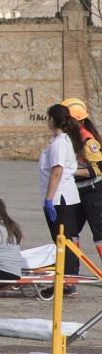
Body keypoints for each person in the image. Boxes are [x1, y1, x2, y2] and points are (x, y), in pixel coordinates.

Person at [38, 103, 83, 289]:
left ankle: (67, 283)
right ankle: (67, 281)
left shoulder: (59, 143)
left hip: (59, 199)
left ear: (51, 120)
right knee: (65, 240)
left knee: (62, 241)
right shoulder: (64, 140)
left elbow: (57, 171)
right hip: (65, 196)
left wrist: (49, 199)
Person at [60, 98, 102, 264]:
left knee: (100, 235)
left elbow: (99, 168)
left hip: (94, 193)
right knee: (69, 234)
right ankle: (70, 277)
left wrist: (72, 171)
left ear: (78, 121)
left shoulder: (87, 140)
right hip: (75, 193)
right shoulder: (68, 139)